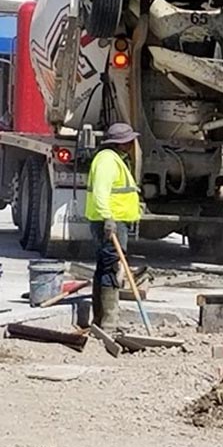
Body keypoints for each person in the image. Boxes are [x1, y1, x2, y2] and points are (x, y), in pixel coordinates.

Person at [86, 122, 142, 330]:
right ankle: (109, 322)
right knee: (111, 268)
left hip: (114, 221)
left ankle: (101, 320)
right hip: (110, 222)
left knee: (104, 267)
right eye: (129, 141)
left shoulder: (113, 158)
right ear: (122, 143)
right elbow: (101, 192)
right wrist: (108, 219)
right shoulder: (107, 161)